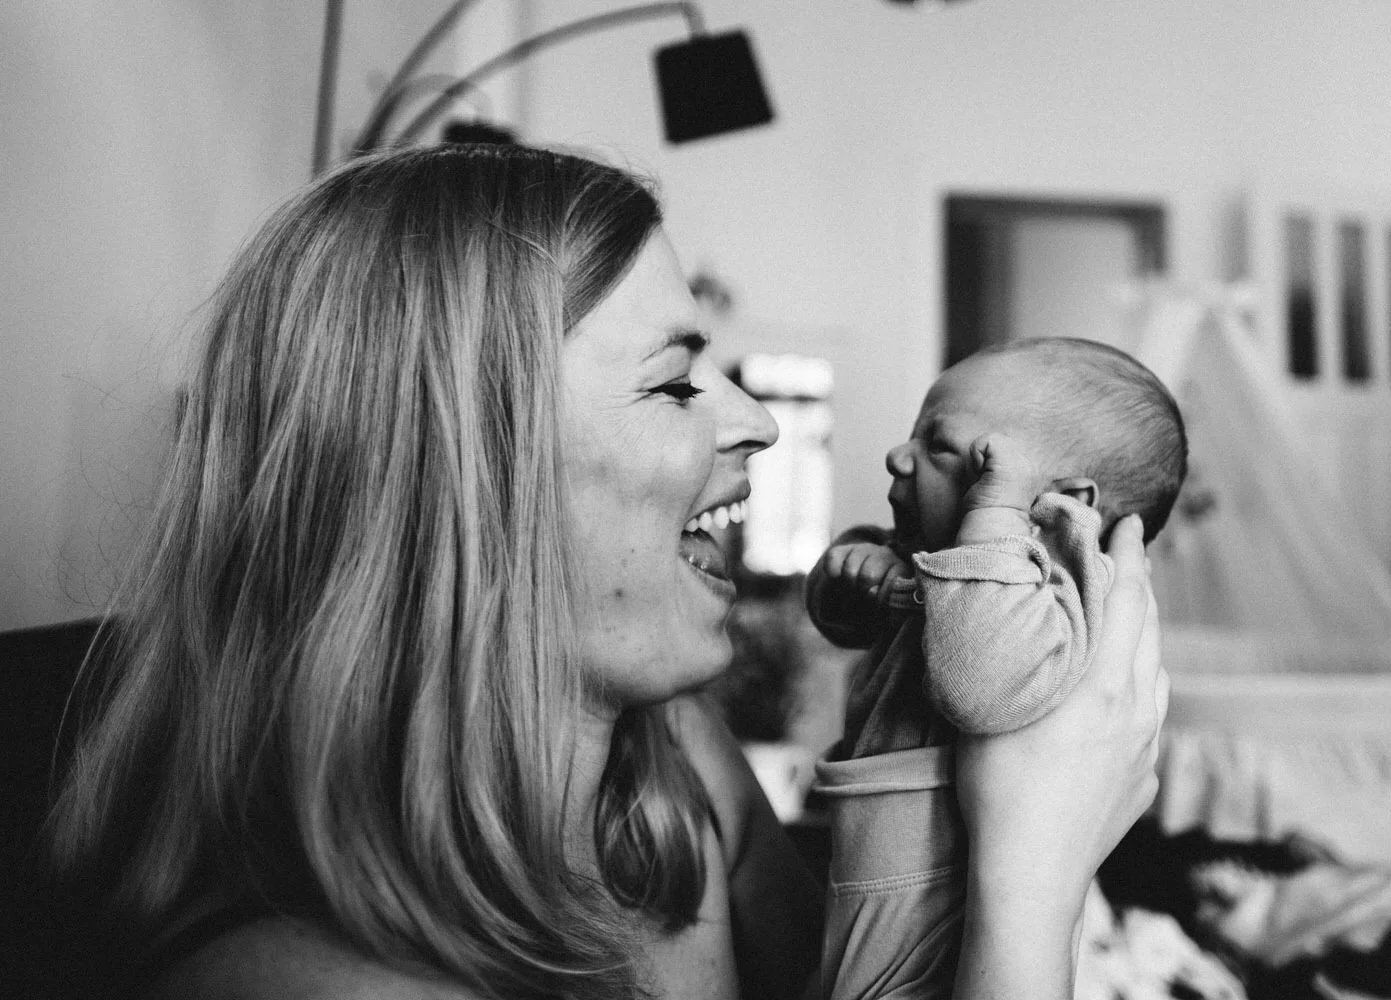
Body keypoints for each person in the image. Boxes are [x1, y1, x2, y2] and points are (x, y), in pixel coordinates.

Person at [47, 144, 1166, 1000]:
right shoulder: (302, 984)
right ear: (469, 475)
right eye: (677, 384)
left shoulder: (670, 770)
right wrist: (1036, 867)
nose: (760, 422)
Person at [809, 338, 1187, 999]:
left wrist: (992, 518)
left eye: (942, 445)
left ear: (1054, 507)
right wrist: (850, 578)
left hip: (934, 888)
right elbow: (842, 623)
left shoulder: (1057, 596)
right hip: (872, 858)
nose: (899, 456)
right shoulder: (936, 555)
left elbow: (980, 688)